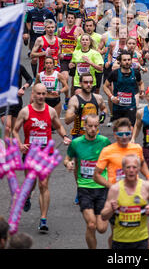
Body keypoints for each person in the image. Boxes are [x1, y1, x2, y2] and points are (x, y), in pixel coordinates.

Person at [13, 83, 71, 233]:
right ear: (33, 94)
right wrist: (20, 144)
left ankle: (43, 219)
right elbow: (15, 130)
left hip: (46, 154)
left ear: (46, 95)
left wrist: (64, 136)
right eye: (38, 94)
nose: (40, 97)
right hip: (30, 154)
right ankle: (27, 196)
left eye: (43, 94)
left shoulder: (51, 111)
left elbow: (58, 126)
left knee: (43, 184)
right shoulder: (25, 112)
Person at [64, 114, 111, 249]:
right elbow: (67, 158)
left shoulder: (104, 142)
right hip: (84, 187)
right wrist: (68, 163)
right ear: (84, 126)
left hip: (102, 187)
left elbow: (112, 158)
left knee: (101, 228)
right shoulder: (76, 143)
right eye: (90, 126)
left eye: (96, 126)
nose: (92, 129)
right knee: (91, 224)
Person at [101, 154, 149, 250]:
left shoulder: (146, 186)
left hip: (141, 240)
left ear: (139, 169)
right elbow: (103, 216)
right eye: (128, 167)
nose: (131, 170)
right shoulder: (115, 189)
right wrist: (111, 209)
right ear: (123, 169)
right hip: (120, 241)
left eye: (134, 167)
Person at [103, 51, 145, 126]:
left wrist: (142, 91)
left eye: (129, 60)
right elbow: (105, 86)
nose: (127, 62)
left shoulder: (135, 73)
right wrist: (111, 97)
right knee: (119, 130)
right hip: (118, 107)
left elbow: (141, 83)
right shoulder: (115, 73)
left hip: (131, 105)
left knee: (130, 128)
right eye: (124, 60)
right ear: (120, 62)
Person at [65, 73, 107, 139]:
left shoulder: (98, 98)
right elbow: (67, 121)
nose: (88, 85)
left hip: (94, 134)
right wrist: (77, 112)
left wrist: (103, 114)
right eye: (85, 82)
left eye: (91, 82)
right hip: (79, 136)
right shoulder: (74, 100)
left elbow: (104, 108)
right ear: (80, 84)